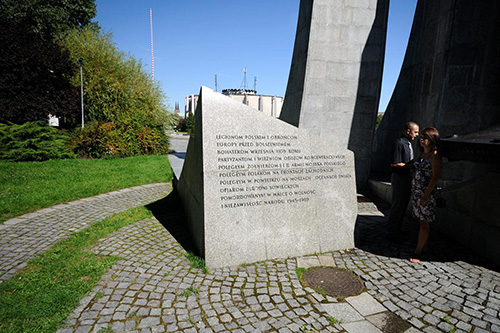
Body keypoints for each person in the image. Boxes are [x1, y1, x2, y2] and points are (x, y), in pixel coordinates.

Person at [409, 127, 442, 263]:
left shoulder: (434, 156)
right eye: (421, 136)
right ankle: (423, 245)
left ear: (432, 139)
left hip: (426, 194)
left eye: (425, 137)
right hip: (417, 192)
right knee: (421, 220)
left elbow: (435, 177)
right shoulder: (422, 154)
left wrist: (425, 196)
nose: (421, 139)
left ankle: (418, 251)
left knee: (424, 222)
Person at [386, 121, 419, 240]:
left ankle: (396, 229)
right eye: (415, 132)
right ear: (408, 131)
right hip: (400, 178)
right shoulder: (399, 143)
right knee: (397, 205)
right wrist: (412, 166)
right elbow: (394, 164)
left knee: (403, 205)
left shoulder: (408, 143)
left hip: (406, 178)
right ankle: (391, 231)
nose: (417, 135)